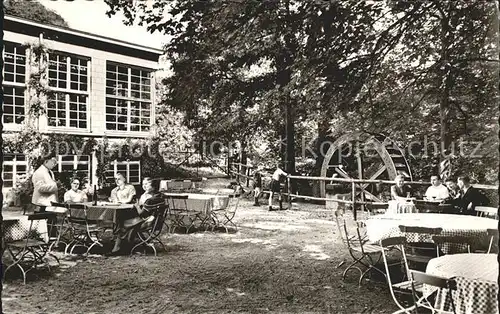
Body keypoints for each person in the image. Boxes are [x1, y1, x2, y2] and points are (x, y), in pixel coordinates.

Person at [110, 177, 164, 255]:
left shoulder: (150, 200)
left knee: (122, 223)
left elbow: (142, 213)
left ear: (153, 187)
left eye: (146, 184)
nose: (144, 186)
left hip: (147, 221)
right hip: (156, 221)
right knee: (124, 218)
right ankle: (125, 244)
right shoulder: (160, 196)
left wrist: (137, 206)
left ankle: (118, 248)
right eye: (143, 184)